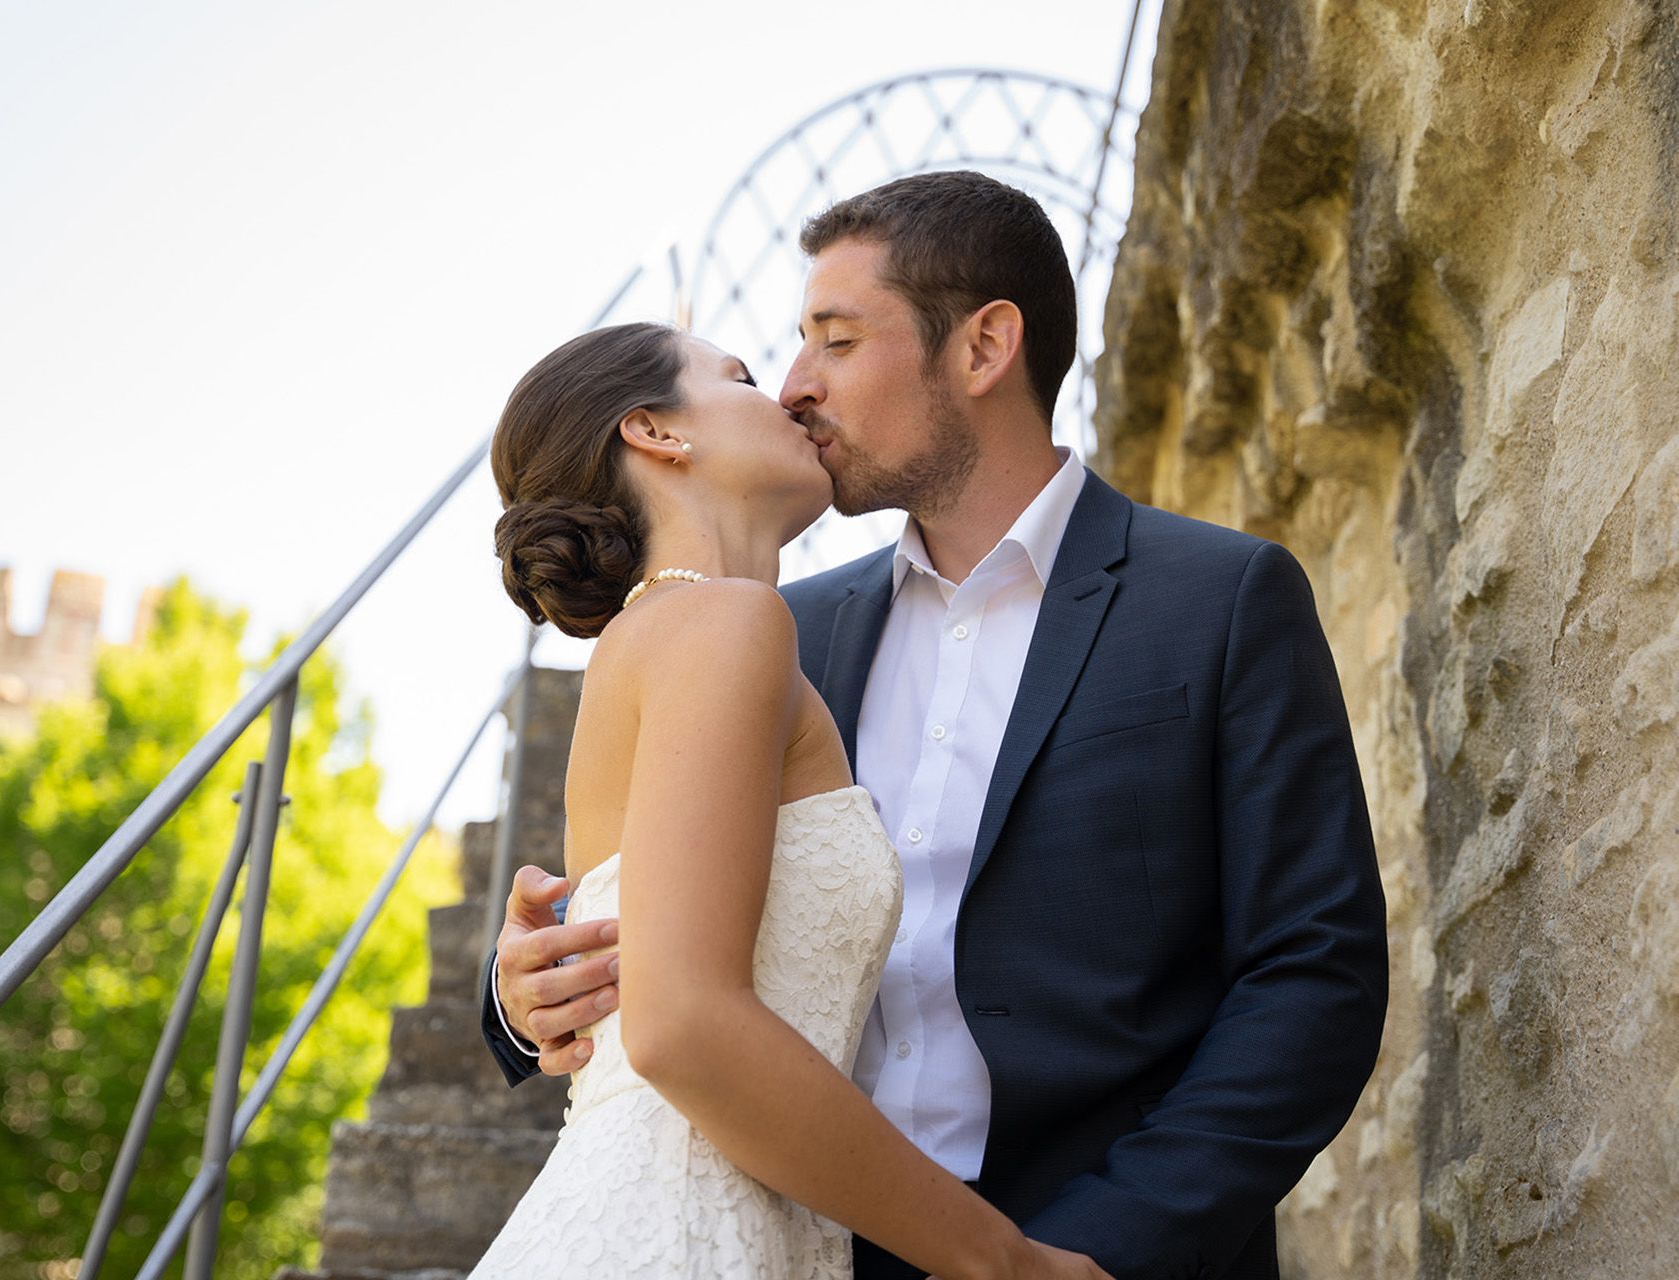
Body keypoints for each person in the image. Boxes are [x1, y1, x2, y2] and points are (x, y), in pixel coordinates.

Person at [481, 170, 1391, 1280]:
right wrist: (524, 994)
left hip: (1097, 1244)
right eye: (782, 355)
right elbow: (663, 956)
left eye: (836, 341)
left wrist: (1093, 1253)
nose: (798, 388)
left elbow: (1313, 971)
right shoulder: (773, 630)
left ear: (982, 347)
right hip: (807, 1239)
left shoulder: (1221, 597)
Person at [470, 318, 1099, 1279]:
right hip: (676, 1233)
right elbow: (680, 1023)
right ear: (657, 433)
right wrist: (1007, 1263)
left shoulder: (672, 641)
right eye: (746, 374)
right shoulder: (723, 626)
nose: (793, 395)